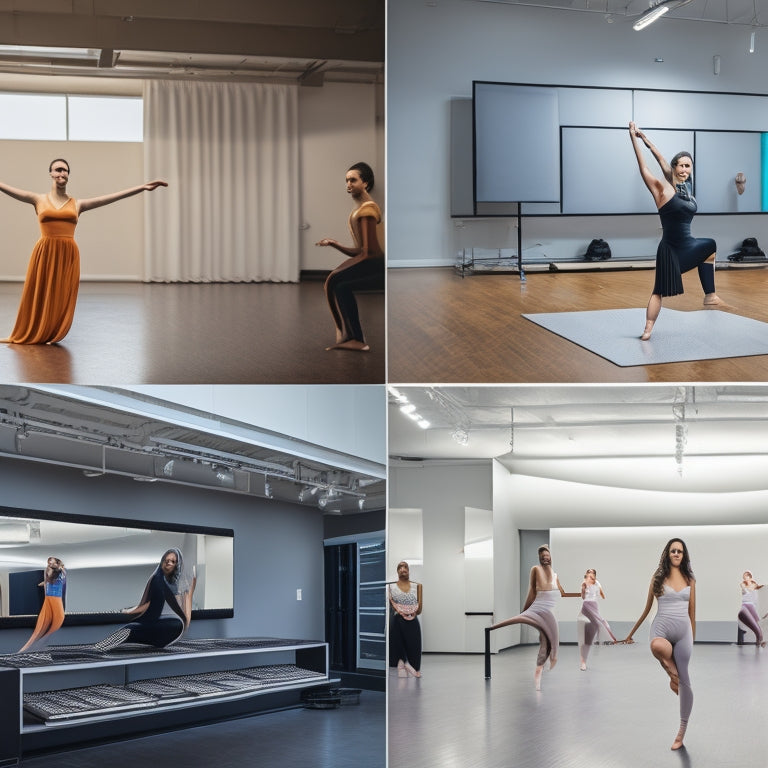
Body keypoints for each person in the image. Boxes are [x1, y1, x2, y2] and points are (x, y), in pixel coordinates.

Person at [0, 159, 167, 344]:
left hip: (68, 254)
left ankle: (49, 331)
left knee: (60, 295)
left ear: (68, 175)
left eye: (65, 170)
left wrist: (142, 188)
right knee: (39, 292)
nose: (61, 173)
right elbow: (7, 189)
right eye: (58, 170)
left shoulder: (77, 204)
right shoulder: (38, 199)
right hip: (45, 252)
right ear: (50, 173)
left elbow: (112, 197)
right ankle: (31, 331)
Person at [628, 123, 724, 341]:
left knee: (710, 246)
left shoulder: (685, 188)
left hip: (688, 245)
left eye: (688, 166)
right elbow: (645, 166)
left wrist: (645, 137)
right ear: (674, 168)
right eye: (680, 166)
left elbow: (660, 157)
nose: (684, 170)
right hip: (670, 250)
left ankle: (710, 295)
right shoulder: (662, 190)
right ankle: (648, 328)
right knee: (658, 291)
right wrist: (633, 139)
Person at [622, 539, 696, 751]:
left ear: (684, 555)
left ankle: (681, 731)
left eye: (679, 551)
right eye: (673, 550)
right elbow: (646, 610)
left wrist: (693, 639)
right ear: (667, 554)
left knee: (685, 681)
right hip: (661, 630)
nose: (676, 554)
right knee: (657, 647)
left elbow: (692, 612)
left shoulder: (690, 579)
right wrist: (630, 634)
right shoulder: (657, 578)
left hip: (684, 633)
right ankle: (671, 673)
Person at [488, 545, 579, 690]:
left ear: (551, 557)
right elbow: (532, 591)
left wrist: (580, 594)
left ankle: (541, 670)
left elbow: (563, 593)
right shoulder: (535, 569)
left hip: (549, 611)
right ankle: (539, 674)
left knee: (549, 642)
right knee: (549, 643)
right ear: (539, 558)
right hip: (539, 608)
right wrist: (525, 610)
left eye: (547, 556)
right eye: (542, 556)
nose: (545, 558)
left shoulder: (555, 575)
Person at [316, 161, 384, 352]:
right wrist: (334, 244)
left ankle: (351, 337)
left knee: (333, 280)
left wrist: (340, 270)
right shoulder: (360, 210)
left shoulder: (367, 211)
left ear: (366, 183)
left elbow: (370, 253)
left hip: (376, 265)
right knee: (341, 286)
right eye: (346, 180)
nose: (348, 184)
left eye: (353, 180)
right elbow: (360, 250)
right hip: (372, 261)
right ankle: (354, 339)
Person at [96, 548, 196, 651]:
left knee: (132, 629)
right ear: (162, 562)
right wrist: (126, 611)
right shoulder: (157, 580)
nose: (169, 563)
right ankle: (100, 648)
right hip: (158, 624)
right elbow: (146, 605)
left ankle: (101, 648)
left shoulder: (171, 584)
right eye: (167, 561)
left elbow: (178, 609)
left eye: (173, 561)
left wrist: (189, 595)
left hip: (170, 626)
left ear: (176, 565)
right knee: (130, 629)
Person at [18, 556, 66, 653]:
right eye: (49, 563)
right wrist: (44, 583)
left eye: (51, 563)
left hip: (55, 598)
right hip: (49, 598)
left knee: (54, 624)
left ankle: (36, 646)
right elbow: (49, 580)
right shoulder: (50, 571)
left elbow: (56, 575)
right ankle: (29, 648)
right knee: (42, 625)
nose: (50, 564)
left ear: (57, 563)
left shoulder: (60, 571)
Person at [578, 568, 617, 670]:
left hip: (593, 605)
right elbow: (583, 597)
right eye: (588, 574)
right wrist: (584, 590)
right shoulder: (584, 583)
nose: (589, 577)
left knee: (596, 627)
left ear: (594, 576)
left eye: (592, 575)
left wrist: (596, 596)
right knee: (595, 625)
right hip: (587, 606)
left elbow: (602, 595)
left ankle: (602, 637)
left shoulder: (597, 583)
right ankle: (583, 662)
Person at [388, 560, 423, 678]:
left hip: (412, 620)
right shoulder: (390, 587)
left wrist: (409, 612)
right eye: (400, 567)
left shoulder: (417, 586)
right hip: (397, 619)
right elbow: (391, 606)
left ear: (408, 570)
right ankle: (401, 663)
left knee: (414, 644)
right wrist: (401, 611)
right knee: (397, 642)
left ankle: (414, 667)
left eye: (405, 567)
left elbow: (419, 609)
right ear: (397, 571)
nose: (403, 569)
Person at [738, 570, 766, 647]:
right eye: (743, 578)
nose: (744, 579)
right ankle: (759, 638)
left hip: (752, 605)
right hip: (745, 605)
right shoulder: (743, 585)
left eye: (745, 577)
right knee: (752, 620)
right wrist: (744, 588)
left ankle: (761, 639)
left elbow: (756, 597)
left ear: (750, 577)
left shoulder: (755, 586)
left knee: (757, 621)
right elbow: (745, 593)